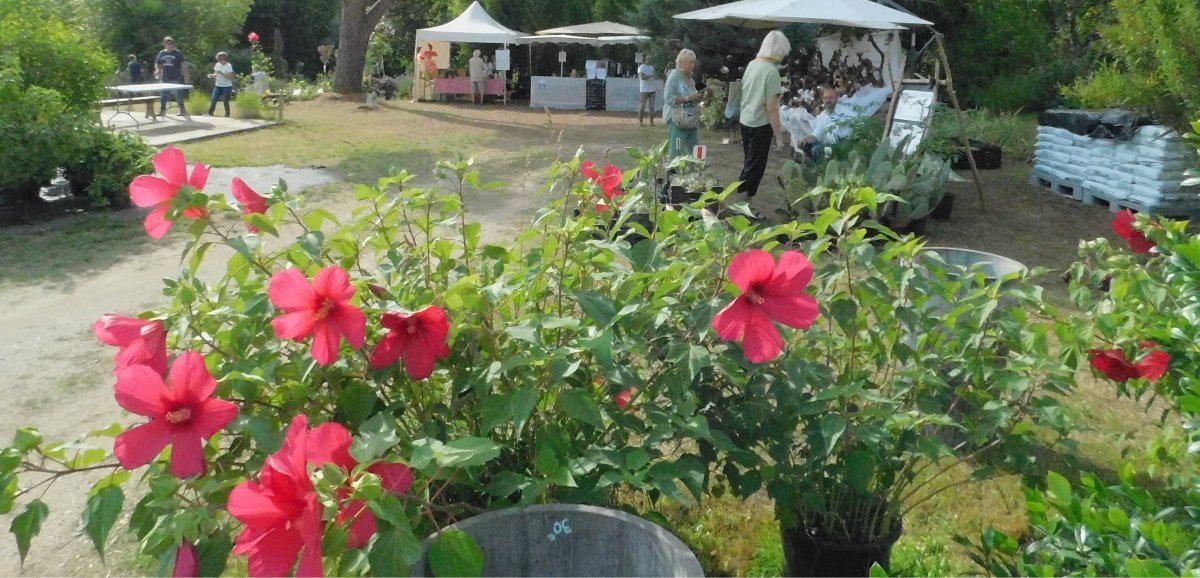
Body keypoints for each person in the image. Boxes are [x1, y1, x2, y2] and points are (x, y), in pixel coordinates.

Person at [737, 30, 791, 198]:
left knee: (749, 163)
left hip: (745, 119)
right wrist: (779, 137)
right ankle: (742, 203)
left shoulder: (752, 64)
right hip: (760, 124)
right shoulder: (771, 72)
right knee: (755, 168)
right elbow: (772, 108)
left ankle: (744, 201)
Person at [662, 48, 704, 160]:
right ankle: (672, 174)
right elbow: (669, 99)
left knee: (694, 148)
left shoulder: (690, 80)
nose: (693, 65)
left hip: (691, 120)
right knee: (676, 149)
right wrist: (689, 97)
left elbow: (692, 98)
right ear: (682, 62)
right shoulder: (674, 77)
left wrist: (699, 98)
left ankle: (694, 172)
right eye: (691, 62)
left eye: (694, 62)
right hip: (677, 119)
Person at [800, 87, 852, 160]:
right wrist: (805, 140)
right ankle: (815, 168)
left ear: (836, 98)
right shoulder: (823, 115)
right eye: (825, 98)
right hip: (827, 145)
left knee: (816, 150)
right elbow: (817, 134)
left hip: (840, 145)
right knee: (806, 145)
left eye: (830, 98)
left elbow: (851, 133)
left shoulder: (845, 112)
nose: (828, 100)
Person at [155, 36, 191, 118]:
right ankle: (162, 110)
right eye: (167, 43)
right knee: (163, 94)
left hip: (176, 77)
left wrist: (186, 75)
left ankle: (182, 110)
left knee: (178, 94)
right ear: (164, 44)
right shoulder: (162, 53)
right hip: (165, 78)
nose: (169, 45)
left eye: (171, 43)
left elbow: (184, 64)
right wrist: (157, 70)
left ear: (173, 44)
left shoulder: (178, 53)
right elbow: (158, 63)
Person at [207, 52, 235, 116]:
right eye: (218, 59)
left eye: (220, 59)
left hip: (227, 86)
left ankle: (227, 114)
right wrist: (211, 75)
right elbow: (216, 74)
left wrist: (222, 73)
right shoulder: (217, 65)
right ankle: (210, 113)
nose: (219, 61)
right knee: (213, 99)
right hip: (218, 85)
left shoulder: (228, 66)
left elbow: (230, 77)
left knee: (225, 101)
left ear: (224, 59)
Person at [637, 59, 657, 126]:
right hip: (644, 90)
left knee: (652, 107)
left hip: (652, 89)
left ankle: (651, 121)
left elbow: (655, 77)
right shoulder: (641, 67)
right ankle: (640, 121)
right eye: (648, 58)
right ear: (645, 59)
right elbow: (642, 77)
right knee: (642, 106)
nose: (650, 59)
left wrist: (655, 77)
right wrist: (651, 76)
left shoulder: (652, 67)